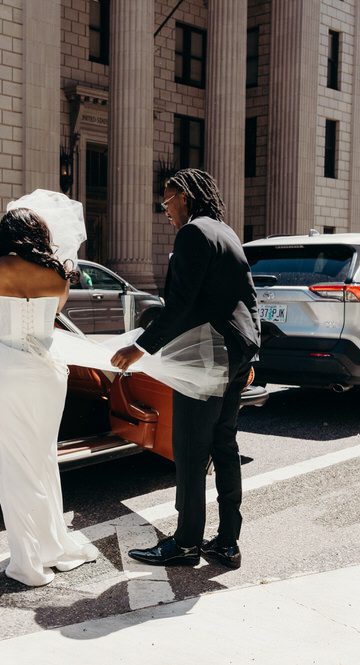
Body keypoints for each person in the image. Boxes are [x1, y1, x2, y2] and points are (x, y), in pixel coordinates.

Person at [111, 169, 260, 570]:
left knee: (191, 451)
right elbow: (249, 299)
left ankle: (186, 543)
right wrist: (249, 358)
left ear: (185, 195)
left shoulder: (194, 233)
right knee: (224, 446)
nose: (165, 212)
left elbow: (180, 305)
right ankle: (227, 543)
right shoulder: (227, 232)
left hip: (206, 358)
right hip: (234, 354)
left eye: (166, 202)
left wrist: (140, 347)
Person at [0, 204, 98, 587]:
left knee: (13, 463)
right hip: (45, 372)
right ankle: (50, 545)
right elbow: (55, 312)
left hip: (7, 368)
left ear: (4, 236)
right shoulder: (59, 276)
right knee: (43, 457)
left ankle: (26, 561)